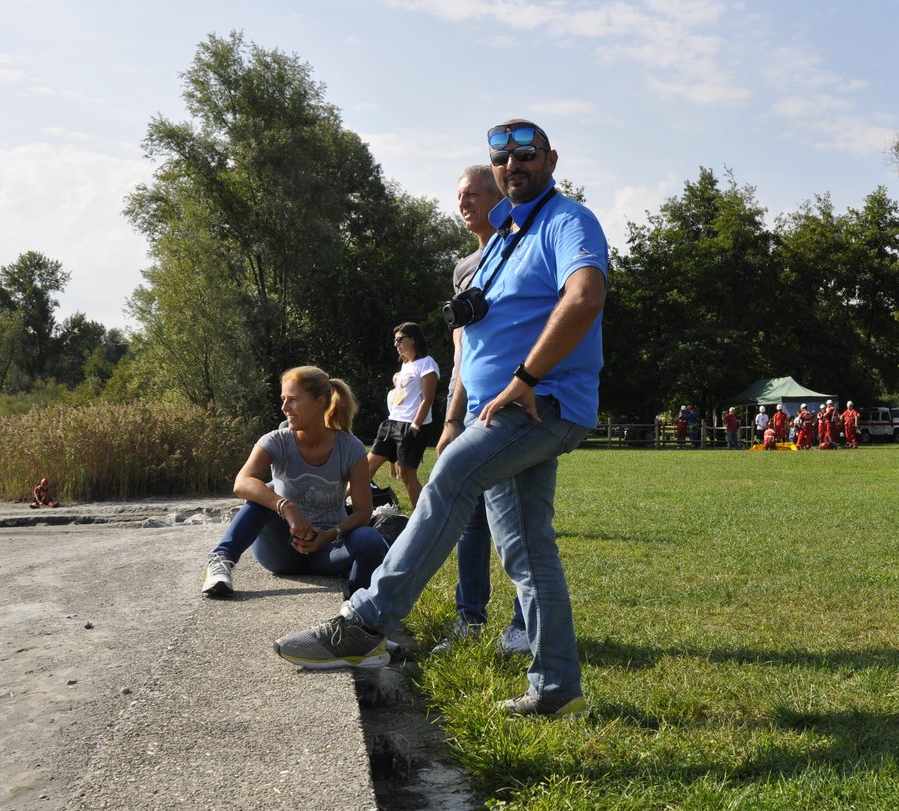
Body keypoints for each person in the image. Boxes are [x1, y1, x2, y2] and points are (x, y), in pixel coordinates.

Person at [275, 118, 608, 721]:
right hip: (496, 408)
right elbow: (473, 337)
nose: (515, 166)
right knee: (528, 552)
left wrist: (526, 379)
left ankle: (367, 622)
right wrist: (461, 408)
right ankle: (559, 689)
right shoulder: (506, 233)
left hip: (542, 402)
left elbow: (584, 296)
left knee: (450, 476)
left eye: (527, 155)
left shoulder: (567, 221)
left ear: (551, 159)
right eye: (503, 159)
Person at [438, 164, 528, 654]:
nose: (463, 203)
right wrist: (452, 418)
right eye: (459, 196)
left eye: (473, 193)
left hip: (513, 407)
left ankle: (522, 625)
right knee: (469, 521)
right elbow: (462, 354)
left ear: (500, 196)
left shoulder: (525, 250)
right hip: (471, 409)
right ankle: (469, 619)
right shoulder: (463, 269)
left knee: (516, 521)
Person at [202, 366, 388, 599]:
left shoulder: (350, 447)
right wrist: (286, 507)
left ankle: (357, 611)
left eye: (293, 400)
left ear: (320, 402)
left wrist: (330, 534)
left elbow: (363, 512)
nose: (284, 408)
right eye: (283, 399)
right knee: (265, 490)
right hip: (280, 551)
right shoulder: (275, 441)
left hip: (327, 551)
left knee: (370, 540)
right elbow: (242, 482)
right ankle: (221, 560)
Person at [366, 322, 439, 510]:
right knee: (365, 468)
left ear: (414, 339)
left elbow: (428, 399)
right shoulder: (405, 365)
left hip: (412, 425)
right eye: (394, 340)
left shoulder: (427, 363)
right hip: (392, 423)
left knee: (406, 474)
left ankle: (423, 519)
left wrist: (415, 426)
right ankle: (337, 508)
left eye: (400, 339)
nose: (396, 344)